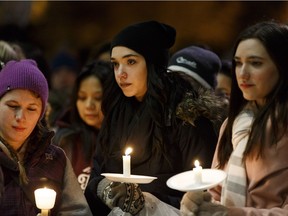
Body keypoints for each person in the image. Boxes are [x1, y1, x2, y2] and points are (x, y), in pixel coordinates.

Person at [84, 20, 223, 216]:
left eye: (130, 62)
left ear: (152, 62)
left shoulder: (186, 115)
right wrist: (103, 188)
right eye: (115, 64)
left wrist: (147, 201)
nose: (120, 73)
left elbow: (201, 191)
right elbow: (97, 172)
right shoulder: (116, 111)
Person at [180, 21, 288, 215]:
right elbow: (215, 190)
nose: (243, 74)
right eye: (238, 63)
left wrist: (230, 213)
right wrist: (197, 203)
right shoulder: (233, 123)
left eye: (256, 63)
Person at [0, 59, 92, 215]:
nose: (21, 116)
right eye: (13, 106)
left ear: (41, 113)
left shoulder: (54, 158)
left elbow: (77, 211)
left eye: (31, 109)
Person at [52, 60, 112, 191]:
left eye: (98, 97)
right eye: (82, 97)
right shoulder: (65, 140)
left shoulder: (122, 139)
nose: (89, 105)